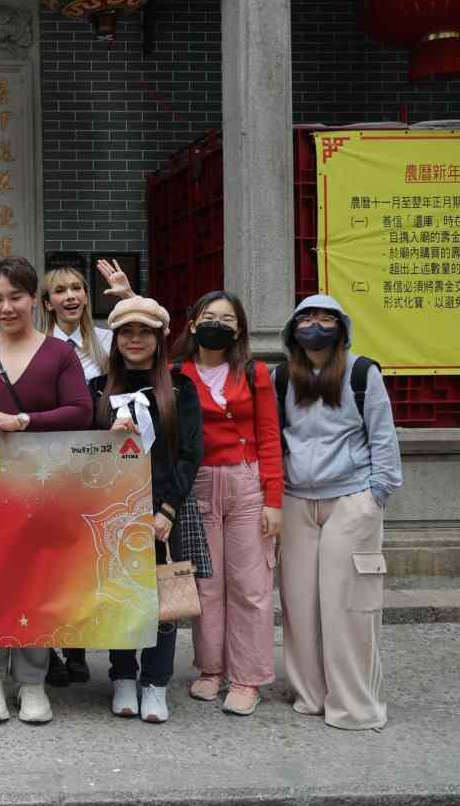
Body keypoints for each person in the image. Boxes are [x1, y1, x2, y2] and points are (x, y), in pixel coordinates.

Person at [0, 256, 92, 724]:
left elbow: (80, 410)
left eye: (16, 297)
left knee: (34, 581)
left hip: (42, 490)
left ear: (35, 300)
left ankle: (32, 681)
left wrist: (22, 420)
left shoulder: (59, 354)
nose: (6, 307)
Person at [277, 295, 402, 731]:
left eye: (326, 318)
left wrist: (376, 496)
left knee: (348, 606)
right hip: (295, 500)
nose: (315, 325)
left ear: (341, 328)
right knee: (299, 605)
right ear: (293, 330)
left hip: (350, 498)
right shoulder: (282, 377)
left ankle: (353, 706)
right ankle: (310, 694)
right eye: (307, 318)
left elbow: (383, 436)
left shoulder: (363, 373)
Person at [88, 297, 204, 723]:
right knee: (118, 594)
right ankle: (122, 675)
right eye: (126, 333)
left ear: (159, 339)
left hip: (162, 510)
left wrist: (169, 509)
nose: (135, 340)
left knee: (162, 598)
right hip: (113, 510)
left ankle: (156, 682)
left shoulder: (180, 388)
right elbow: (83, 455)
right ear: (115, 339)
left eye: (144, 333)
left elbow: (191, 453)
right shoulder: (97, 389)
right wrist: (108, 434)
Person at [176, 290, 284, 716]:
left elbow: (270, 437)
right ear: (192, 324)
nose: (216, 325)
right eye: (209, 316)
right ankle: (211, 668)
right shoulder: (178, 373)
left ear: (239, 330)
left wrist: (273, 500)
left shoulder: (255, 373)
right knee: (207, 583)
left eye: (226, 319)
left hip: (246, 482)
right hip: (200, 484)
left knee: (250, 586)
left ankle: (247, 677)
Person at [38, 258, 135, 686]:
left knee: (88, 561)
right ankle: (48, 651)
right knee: (50, 562)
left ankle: (77, 649)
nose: (70, 296)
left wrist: (128, 298)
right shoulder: (37, 346)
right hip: (51, 467)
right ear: (47, 302)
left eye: (77, 288)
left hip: (100, 468)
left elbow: (154, 343)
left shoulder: (108, 340)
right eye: (60, 291)